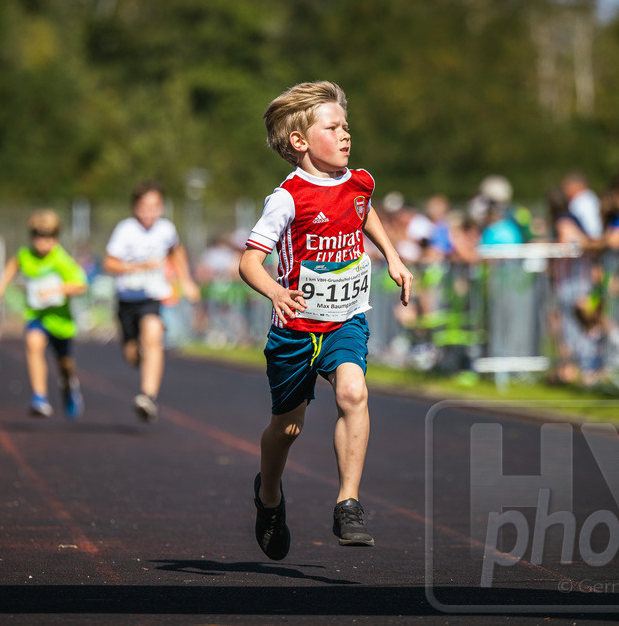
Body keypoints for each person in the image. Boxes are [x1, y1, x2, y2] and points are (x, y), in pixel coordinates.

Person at [239, 81, 413, 559]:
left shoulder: (360, 182)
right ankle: (269, 496)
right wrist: (276, 291)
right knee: (287, 428)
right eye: (332, 127)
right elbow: (249, 261)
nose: (345, 135)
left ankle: (348, 503)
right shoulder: (288, 198)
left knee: (353, 392)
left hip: (345, 318)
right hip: (296, 328)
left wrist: (393, 258)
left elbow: (364, 213)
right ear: (300, 141)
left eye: (346, 127)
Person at [103, 181, 201, 423]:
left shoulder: (166, 229)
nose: (149, 212)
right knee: (132, 356)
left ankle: (148, 397)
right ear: (135, 207)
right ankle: (137, 352)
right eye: (144, 206)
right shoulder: (125, 230)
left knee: (153, 335)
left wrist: (186, 280)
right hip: (127, 298)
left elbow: (176, 251)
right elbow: (109, 263)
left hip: (152, 297)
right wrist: (137, 266)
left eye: (155, 206)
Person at [0, 209, 88, 418]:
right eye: (39, 239)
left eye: (49, 239)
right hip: (37, 316)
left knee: (65, 365)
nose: (43, 244)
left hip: (60, 321)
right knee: (33, 344)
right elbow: (13, 264)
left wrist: (56, 290)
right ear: (32, 237)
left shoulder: (60, 259)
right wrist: (0, 286)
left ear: (56, 238)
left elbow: (81, 285)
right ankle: (39, 397)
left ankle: (69, 387)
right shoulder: (26, 255)